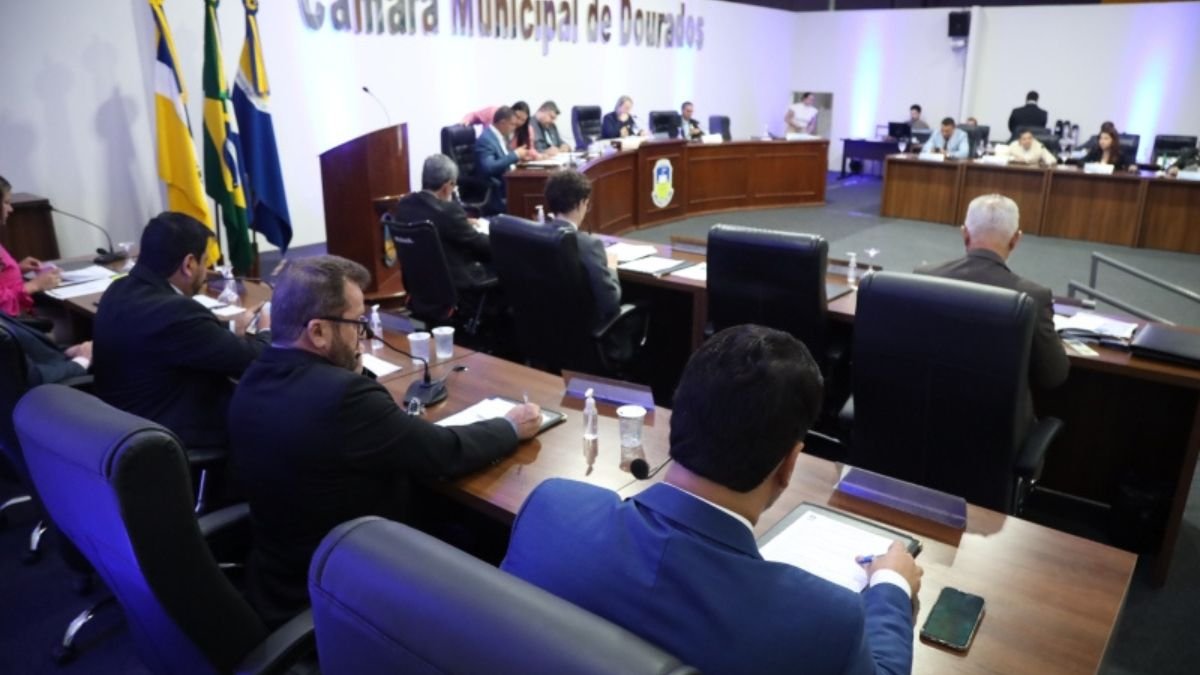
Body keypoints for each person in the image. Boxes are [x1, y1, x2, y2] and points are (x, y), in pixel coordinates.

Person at [502, 324, 921, 675]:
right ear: (790, 463)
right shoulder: (827, 621)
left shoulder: (549, 508)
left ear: (676, 423)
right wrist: (892, 585)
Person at [229, 255, 541, 626]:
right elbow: (443, 453)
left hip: (281, 577)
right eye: (356, 324)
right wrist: (509, 426)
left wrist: (352, 371)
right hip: (354, 588)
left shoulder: (252, 377)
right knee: (494, 534)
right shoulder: (343, 398)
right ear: (318, 332)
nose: (362, 335)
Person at [93, 212, 270, 452]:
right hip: (173, 437)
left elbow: (184, 341)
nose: (206, 272)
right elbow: (254, 361)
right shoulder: (175, 311)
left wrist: (233, 328)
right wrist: (266, 329)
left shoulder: (119, 289)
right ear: (188, 264)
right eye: (205, 262)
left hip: (124, 428)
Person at [916, 194, 1070, 429]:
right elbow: (1053, 376)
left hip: (925, 422)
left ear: (964, 233)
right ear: (1015, 240)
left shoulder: (924, 278)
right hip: (995, 433)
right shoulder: (1033, 296)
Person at [390, 154, 494, 288]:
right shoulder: (449, 212)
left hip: (420, 285)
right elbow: (480, 244)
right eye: (454, 186)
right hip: (457, 285)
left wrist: (464, 222)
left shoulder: (404, 205)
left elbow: (438, 223)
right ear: (447, 186)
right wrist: (500, 239)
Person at [544, 170, 619, 333]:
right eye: (587, 204)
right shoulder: (589, 245)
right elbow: (610, 303)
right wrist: (611, 268)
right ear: (580, 203)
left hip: (544, 329)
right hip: (584, 332)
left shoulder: (537, 235)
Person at [0, 176, 60, 316]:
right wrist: (34, 285)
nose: (10, 209)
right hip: (11, 324)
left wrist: (17, 269)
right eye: (6, 203)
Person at [0, 313, 92, 385]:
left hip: (53, 359)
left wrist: (65, 351)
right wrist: (82, 361)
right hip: (54, 387)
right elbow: (35, 379)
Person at [474, 106, 533, 214]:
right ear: (502, 123)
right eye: (512, 124)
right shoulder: (486, 140)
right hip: (499, 189)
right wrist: (515, 155)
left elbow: (504, 158)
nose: (515, 128)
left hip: (509, 182)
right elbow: (489, 168)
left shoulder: (500, 136)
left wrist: (519, 158)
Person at [462, 101, 532, 152]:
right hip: (487, 151)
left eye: (523, 120)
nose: (518, 122)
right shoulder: (492, 112)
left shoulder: (526, 130)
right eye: (517, 116)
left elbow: (529, 149)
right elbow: (474, 115)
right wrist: (466, 120)